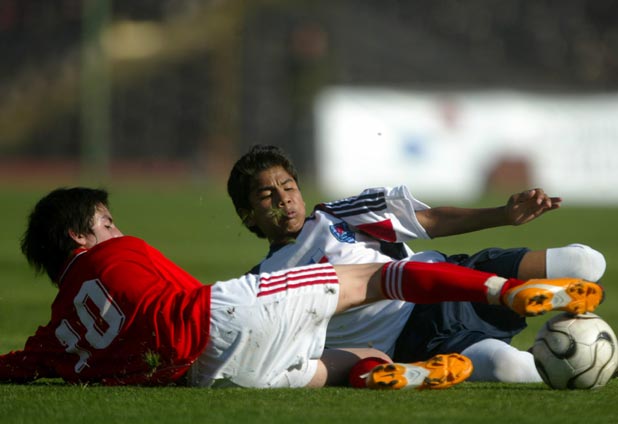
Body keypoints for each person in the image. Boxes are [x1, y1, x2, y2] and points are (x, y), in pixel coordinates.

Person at [0, 188, 603, 390]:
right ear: (81, 235)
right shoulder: (119, 253)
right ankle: (505, 293)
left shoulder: (57, 333)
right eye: (106, 221)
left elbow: (22, 364)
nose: (117, 229)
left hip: (201, 375)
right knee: (375, 279)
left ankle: (410, 375)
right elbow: (192, 299)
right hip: (224, 317)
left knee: (324, 368)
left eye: (286, 187)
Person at [226, 144, 607, 383]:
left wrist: (504, 215)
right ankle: (594, 359)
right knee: (514, 369)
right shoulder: (262, 284)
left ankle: (567, 329)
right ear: (248, 215)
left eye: (288, 187)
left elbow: (432, 221)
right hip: (420, 339)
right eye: (266, 195)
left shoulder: (337, 215)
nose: (283, 199)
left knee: (586, 262)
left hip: (456, 276)